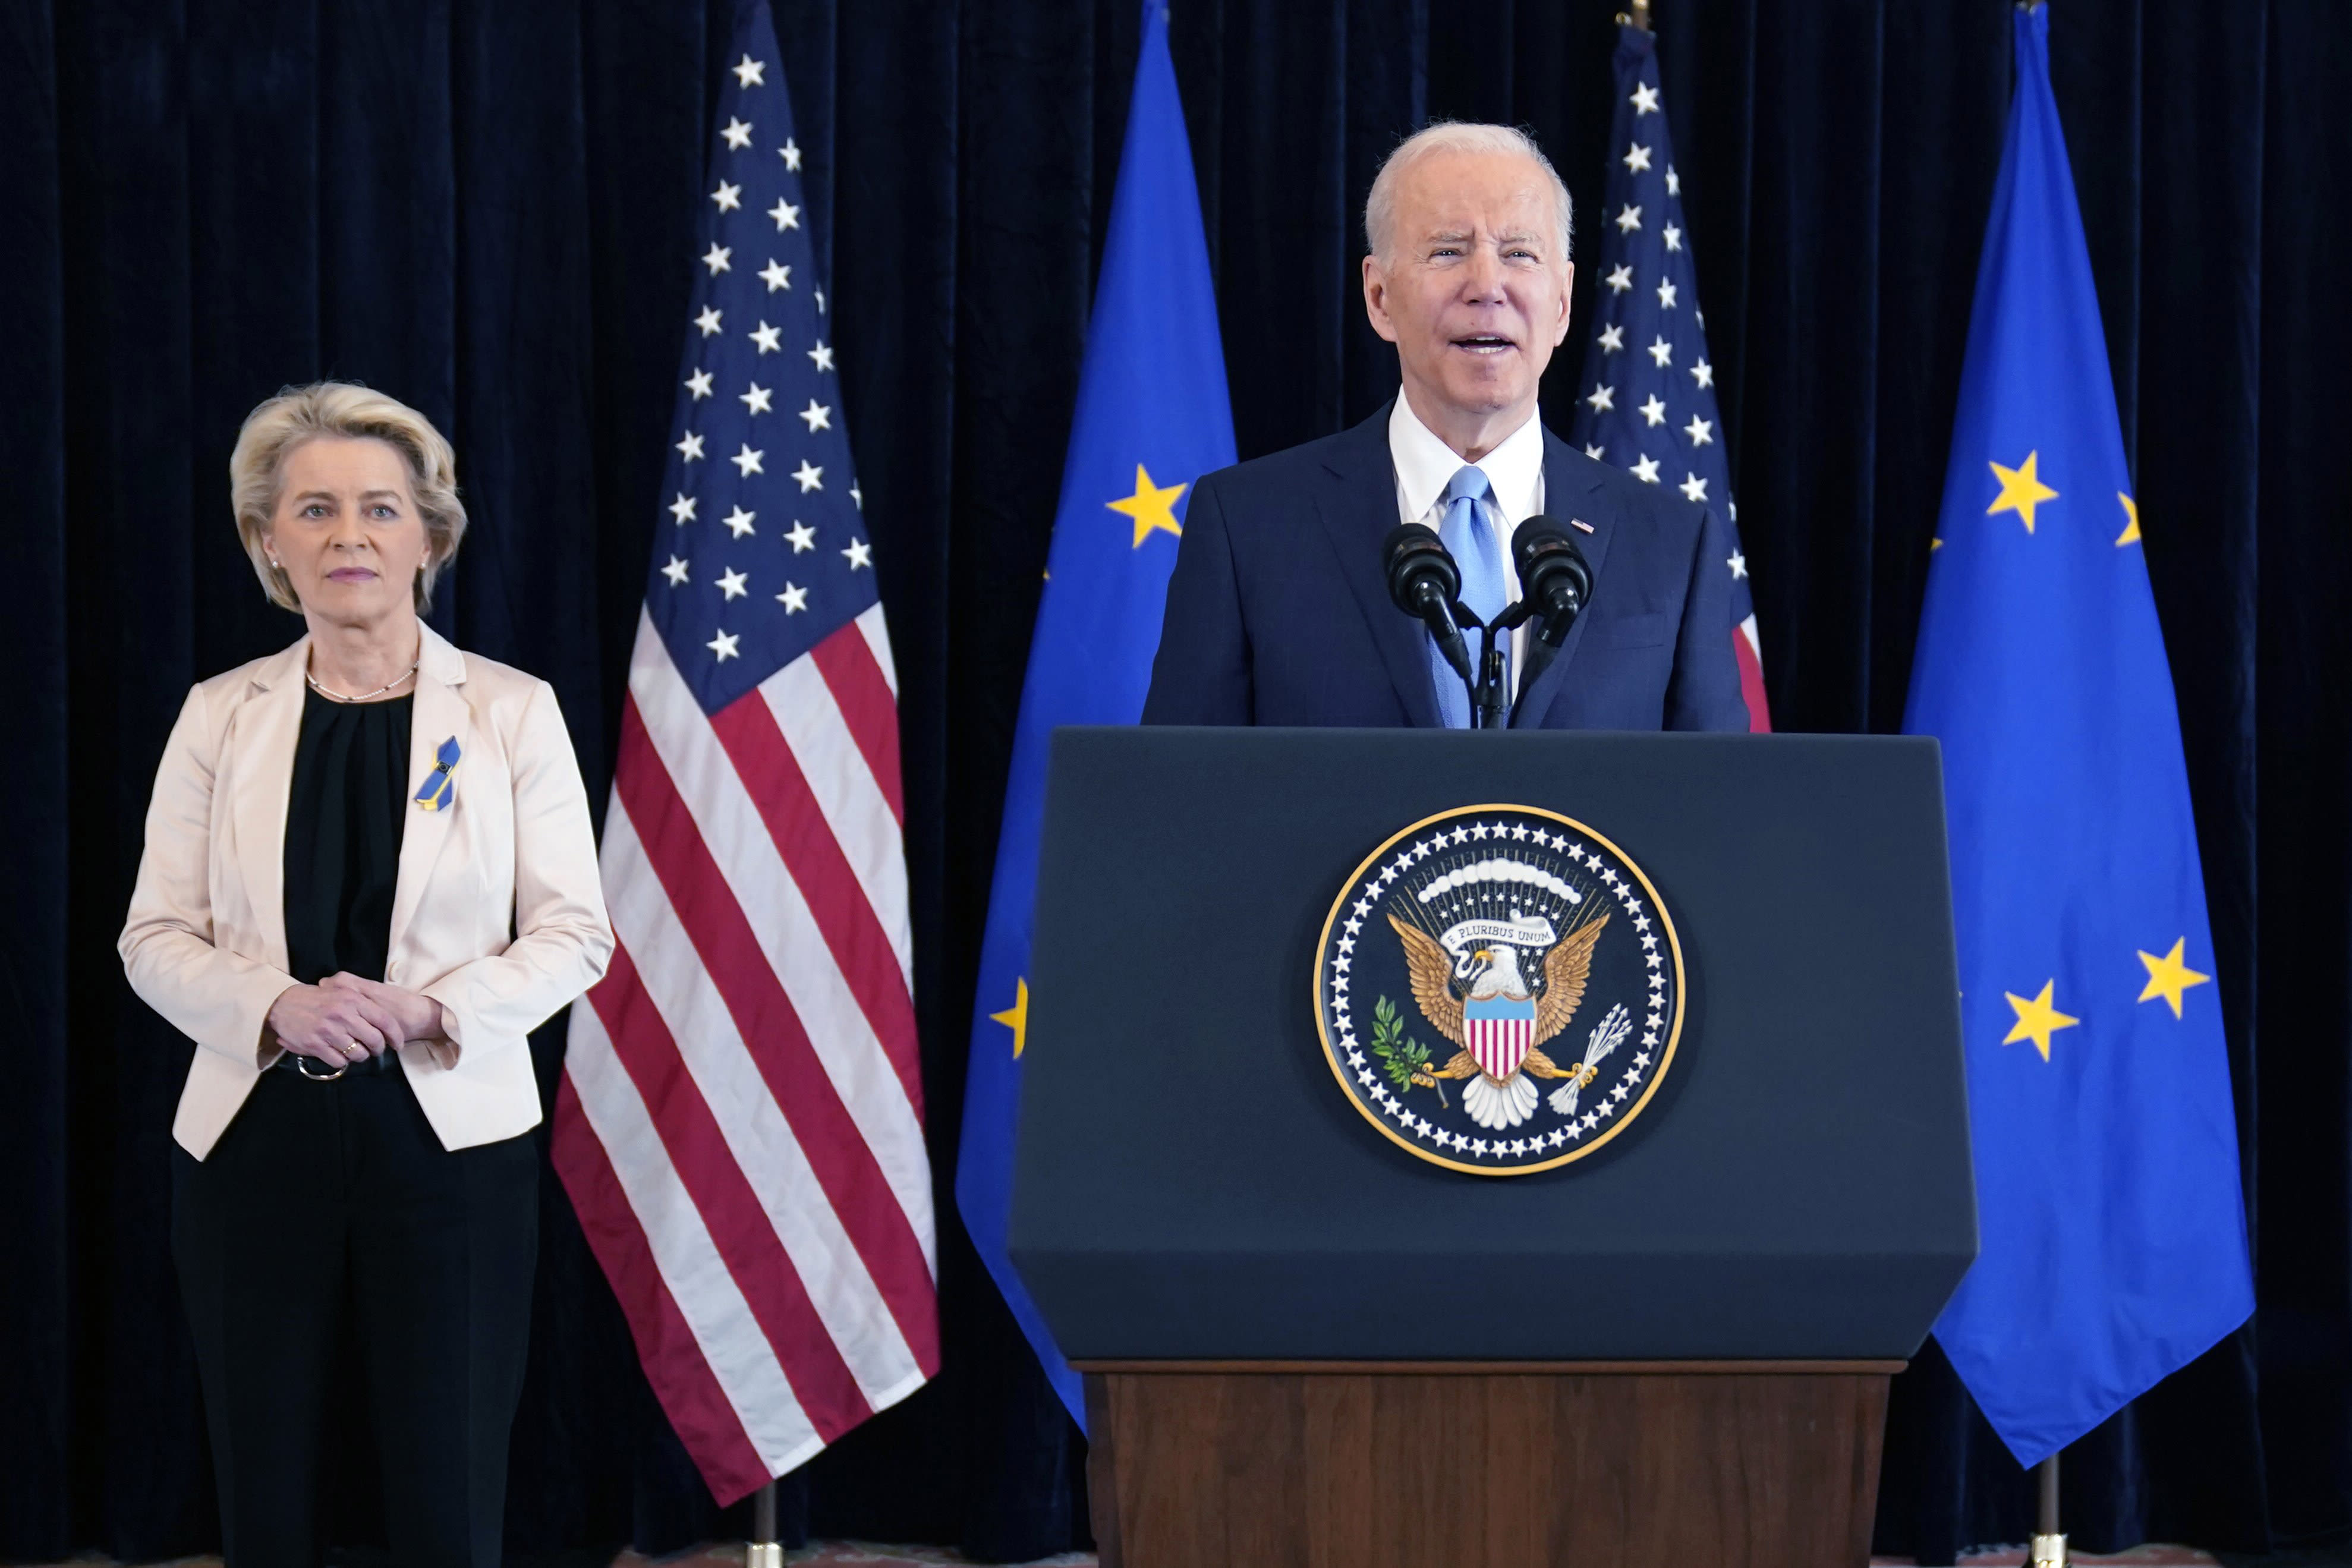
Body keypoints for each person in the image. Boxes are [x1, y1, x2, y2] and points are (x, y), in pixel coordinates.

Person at [119, 382, 614, 1568]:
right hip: (251, 1138)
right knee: (270, 1493)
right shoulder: (215, 715)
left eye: (381, 508)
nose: (349, 534)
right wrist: (276, 1005)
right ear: (268, 541)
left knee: (445, 1494)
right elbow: (153, 935)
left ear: (429, 536)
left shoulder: (509, 712)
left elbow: (574, 933)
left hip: (448, 1139)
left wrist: (437, 1005)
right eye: (316, 508)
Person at [1143, 121, 1749, 731]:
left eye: (1519, 254)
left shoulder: (1674, 544)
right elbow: (1181, 799)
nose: (1487, 287)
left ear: (1562, 303)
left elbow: (1718, 810)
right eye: (1447, 251)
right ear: (1380, 297)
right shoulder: (1246, 527)